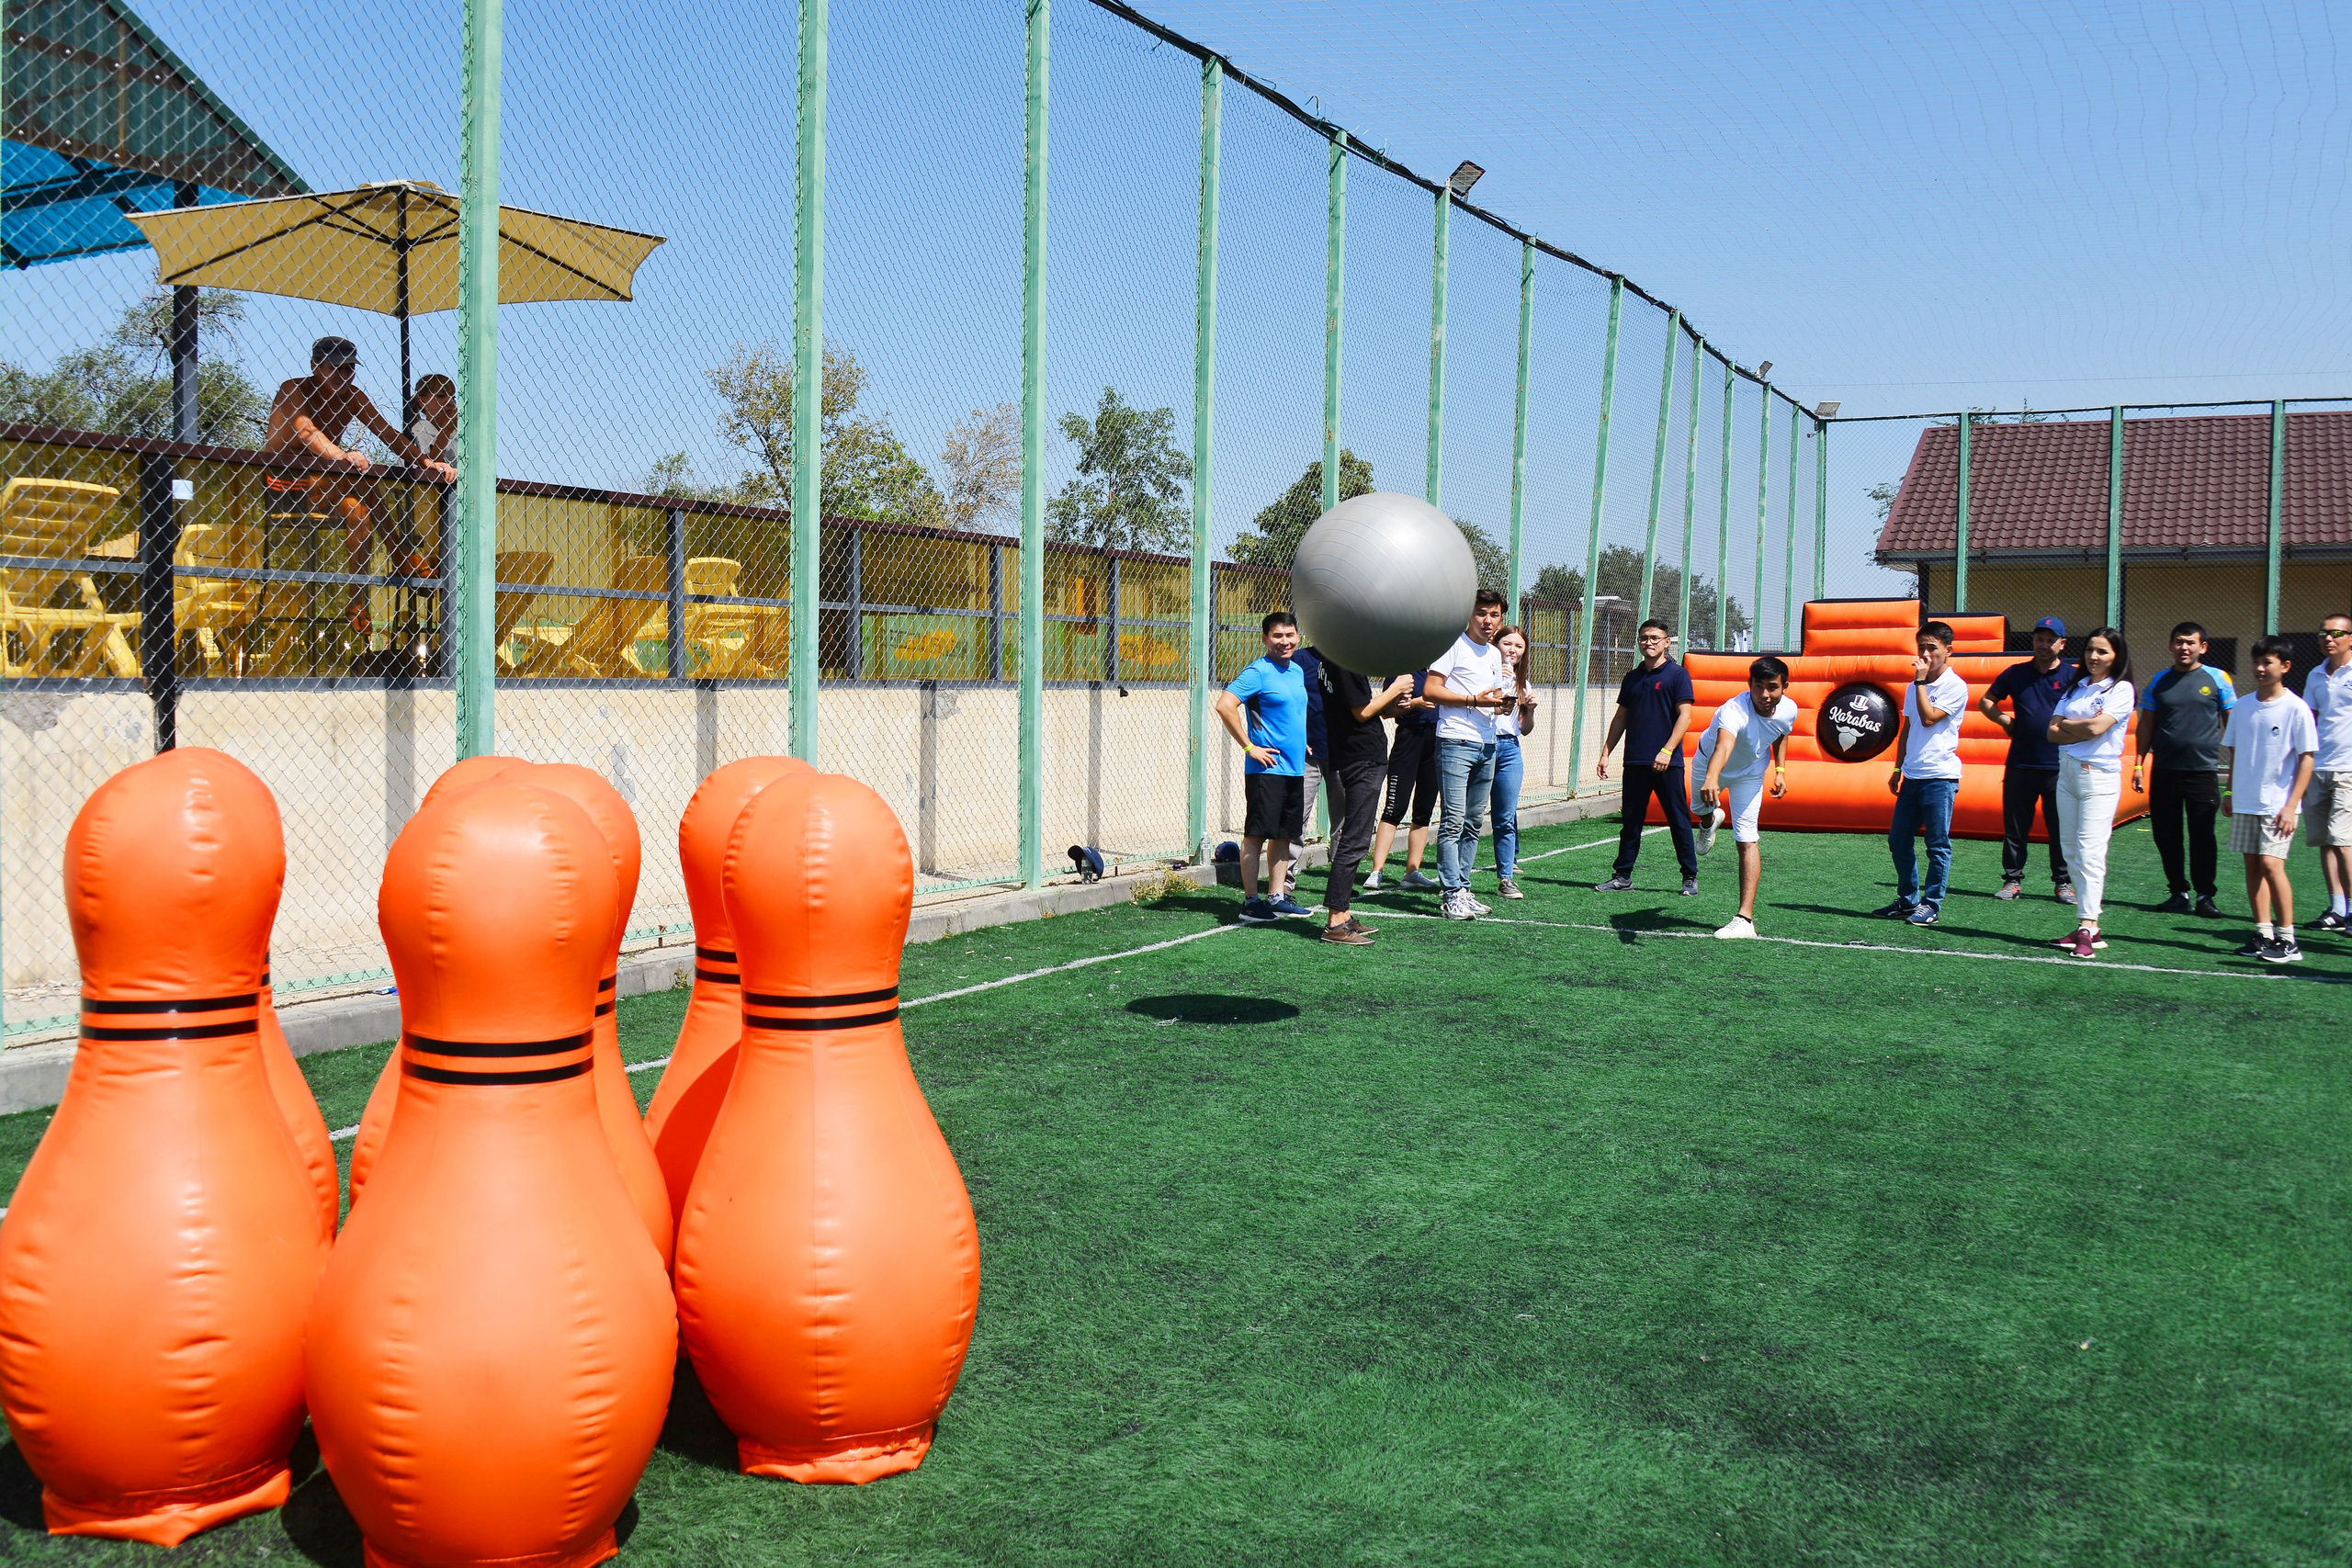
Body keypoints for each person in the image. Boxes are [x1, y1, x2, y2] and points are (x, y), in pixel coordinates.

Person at [264, 337, 455, 632]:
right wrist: (342, 455)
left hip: (326, 486)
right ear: (315, 365)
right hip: (284, 484)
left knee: (359, 512)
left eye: (349, 369)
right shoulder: (294, 389)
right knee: (359, 477)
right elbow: (305, 431)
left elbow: (388, 434)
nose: (343, 376)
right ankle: (401, 554)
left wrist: (428, 463)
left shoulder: (352, 395)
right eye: (335, 368)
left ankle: (355, 601)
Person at [1422, 589, 1519, 921]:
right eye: (1481, 613)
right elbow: (1431, 690)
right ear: (1469, 615)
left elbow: (1490, 694)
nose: (1488, 621)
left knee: (1474, 822)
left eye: (1494, 615)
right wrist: (1474, 701)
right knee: (1452, 821)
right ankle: (1451, 894)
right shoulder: (1452, 645)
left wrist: (1502, 702)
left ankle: (1463, 887)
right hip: (1455, 743)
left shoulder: (1494, 654)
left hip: (1487, 744)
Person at [2221, 636, 2317, 964]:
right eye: (2256, 662)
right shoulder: (2243, 706)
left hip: (2277, 805)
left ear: (2285, 667)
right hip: (2246, 801)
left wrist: (2291, 805)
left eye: (2268, 663)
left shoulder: (2296, 708)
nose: (2260, 669)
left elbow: (2307, 758)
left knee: (2273, 866)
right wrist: (2231, 792)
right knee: (2252, 865)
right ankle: (2263, 933)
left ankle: (2288, 940)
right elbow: (2235, 753)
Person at [2132, 623, 2237, 916]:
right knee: (2166, 835)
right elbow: (2147, 725)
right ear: (2170, 645)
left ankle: (2205, 896)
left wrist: (2237, 769)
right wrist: (2138, 763)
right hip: (2164, 771)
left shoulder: (2218, 678)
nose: (2184, 648)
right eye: (2178, 642)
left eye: (2190, 643)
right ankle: (2178, 891)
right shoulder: (2159, 680)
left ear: (2202, 647)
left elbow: (2234, 725)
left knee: (2202, 834)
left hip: (2202, 773)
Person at [1215, 612, 1312, 924]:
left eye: (1290, 635)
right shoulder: (1258, 672)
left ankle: (1277, 897)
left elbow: (1292, 714)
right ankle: (1250, 902)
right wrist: (1249, 746)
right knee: (1256, 835)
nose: (1285, 642)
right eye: (1277, 636)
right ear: (1265, 639)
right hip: (1266, 771)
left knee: (1284, 836)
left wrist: (1302, 743)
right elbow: (1224, 705)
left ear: (1299, 637)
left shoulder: (1296, 671)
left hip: (1294, 768)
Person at [2044, 627, 2136, 959]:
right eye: (2090, 651)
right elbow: (2051, 733)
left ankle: (2088, 924)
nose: (2094, 657)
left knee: (2090, 852)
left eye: (2103, 652)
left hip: (2097, 777)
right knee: (2070, 851)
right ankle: (2089, 928)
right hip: (2067, 772)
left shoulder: (2121, 689)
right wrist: (2080, 728)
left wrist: (2072, 725)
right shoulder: (2076, 687)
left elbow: (2099, 728)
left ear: (2116, 657)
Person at [1693, 656, 1797, 939]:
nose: (1765, 694)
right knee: (1698, 809)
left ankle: (1745, 919)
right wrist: (1712, 777)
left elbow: (1781, 733)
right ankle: (1709, 819)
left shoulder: (1789, 709)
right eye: (1758, 686)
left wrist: (1780, 770)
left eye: (1772, 687)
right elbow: (1724, 747)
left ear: (1784, 687)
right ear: (1749, 685)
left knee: (1747, 839)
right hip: (1709, 763)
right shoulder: (1733, 710)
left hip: (1750, 773)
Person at [1978, 616, 2077, 905]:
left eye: (2050, 640)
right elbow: (1986, 701)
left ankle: (2063, 883)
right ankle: (2012, 880)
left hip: (2059, 766)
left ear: (2062, 644)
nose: (2044, 645)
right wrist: (2005, 720)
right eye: (2039, 639)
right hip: (2020, 763)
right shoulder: (2016, 673)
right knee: (2016, 826)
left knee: (2061, 827)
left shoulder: (2073, 677)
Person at [1596, 620, 1698, 896]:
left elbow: (1685, 717)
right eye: (1644, 638)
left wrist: (1666, 751)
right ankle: (1622, 876)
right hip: (1635, 762)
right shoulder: (1632, 678)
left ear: (1667, 642)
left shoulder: (1678, 676)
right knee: (1631, 822)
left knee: (1678, 820)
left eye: (1655, 637)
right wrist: (1606, 752)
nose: (1648, 642)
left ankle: (1689, 876)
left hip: (1668, 765)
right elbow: (1621, 718)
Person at [1876, 621, 1969, 925]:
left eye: (1932, 648)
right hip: (1913, 776)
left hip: (1940, 777)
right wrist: (1898, 767)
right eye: (1921, 648)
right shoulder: (1912, 686)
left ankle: (1931, 905)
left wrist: (1919, 683)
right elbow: (1908, 728)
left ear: (1948, 651)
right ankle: (1907, 899)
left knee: (1937, 845)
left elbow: (1929, 718)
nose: (1926, 654)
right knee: (1898, 840)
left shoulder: (1955, 686)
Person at [1315, 660, 1414, 944]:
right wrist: (1395, 687)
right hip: (1361, 758)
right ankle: (1335, 922)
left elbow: (1363, 710)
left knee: (1356, 837)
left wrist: (1392, 705)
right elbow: (1361, 713)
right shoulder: (1341, 661)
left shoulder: (1333, 659)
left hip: (1357, 755)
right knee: (1355, 839)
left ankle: (1343, 914)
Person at [1365, 671, 1441, 893]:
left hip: (1438, 741)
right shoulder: (1402, 671)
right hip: (1408, 740)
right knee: (1394, 808)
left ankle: (1412, 871)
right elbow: (1386, 711)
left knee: (1424, 810)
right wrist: (1416, 703)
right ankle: (1376, 870)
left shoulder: (1442, 667)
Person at [2304, 611, 2352, 933]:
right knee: (2325, 841)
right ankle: (2337, 909)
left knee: (2343, 840)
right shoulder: (2315, 675)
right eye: (2323, 634)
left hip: (2348, 769)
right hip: (2319, 768)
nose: (2328, 639)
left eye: (2336, 633)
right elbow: (2310, 719)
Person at [1485, 625, 1540, 899]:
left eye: (1519, 646)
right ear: (1496, 644)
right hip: (1482, 746)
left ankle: (1506, 877)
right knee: (1468, 816)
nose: (1513, 651)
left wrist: (1529, 710)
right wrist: (1497, 680)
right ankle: (1456, 881)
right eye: (1507, 644)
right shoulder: (1483, 673)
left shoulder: (1522, 683)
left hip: (1509, 748)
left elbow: (1525, 728)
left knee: (1505, 817)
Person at [404, 373, 458, 463]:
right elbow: (425, 472)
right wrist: (446, 430)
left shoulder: (461, 435)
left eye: (453, 397)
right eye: (441, 396)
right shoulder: (417, 434)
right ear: (422, 401)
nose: (450, 402)